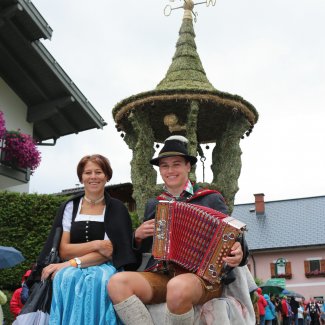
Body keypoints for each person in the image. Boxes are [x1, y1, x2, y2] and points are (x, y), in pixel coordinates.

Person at [108, 135, 251, 324]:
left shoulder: (211, 199)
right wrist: (137, 238)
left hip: (204, 280)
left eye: (176, 164)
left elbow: (235, 238)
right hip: (163, 275)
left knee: (177, 287)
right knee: (116, 284)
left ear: (187, 167)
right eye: (164, 166)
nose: (170, 170)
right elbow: (138, 258)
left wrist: (239, 251)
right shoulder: (154, 205)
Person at [39, 154, 140, 324]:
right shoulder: (70, 207)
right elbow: (64, 250)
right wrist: (96, 244)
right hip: (71, 264)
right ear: (81, 177)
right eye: (88, 173)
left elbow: (109, 253)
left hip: (105, 266)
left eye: (98, 172)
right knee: (65, 277)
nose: (93, 177)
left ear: (106, 176)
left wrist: (70, 263)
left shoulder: (116, 208)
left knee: (99, 280)